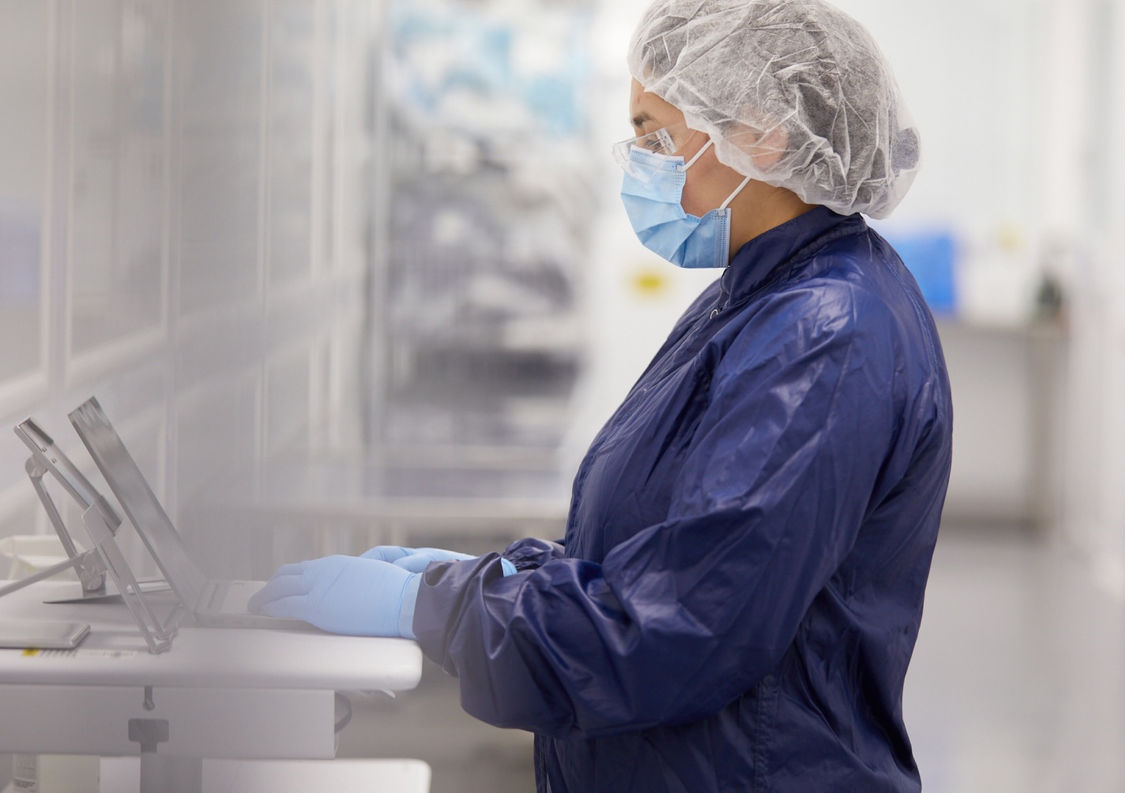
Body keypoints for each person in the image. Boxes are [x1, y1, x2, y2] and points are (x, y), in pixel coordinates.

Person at [250, 1, 952, 790]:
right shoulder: (761, 296)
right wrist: (495, 576)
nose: (639, 160)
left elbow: (675, 630)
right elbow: (664, 552)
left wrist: (442, 609)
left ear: (765, 134)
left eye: (655, 133)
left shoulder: (824, 333)